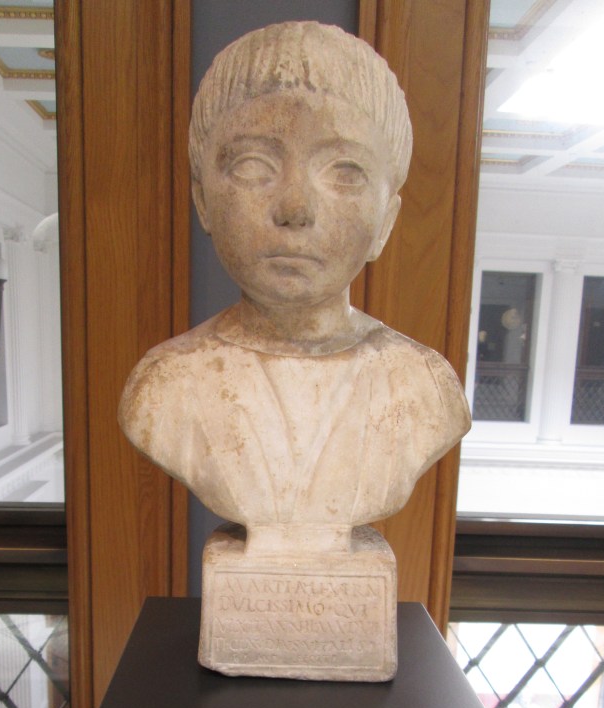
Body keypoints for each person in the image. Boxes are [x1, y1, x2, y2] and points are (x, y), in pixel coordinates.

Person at [119, 22, 469, 557]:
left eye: (344, 172)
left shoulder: (424, 388)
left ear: (386, 221)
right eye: (253, 166)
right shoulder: (164, 385)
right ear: (204, 201)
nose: (295, 208)